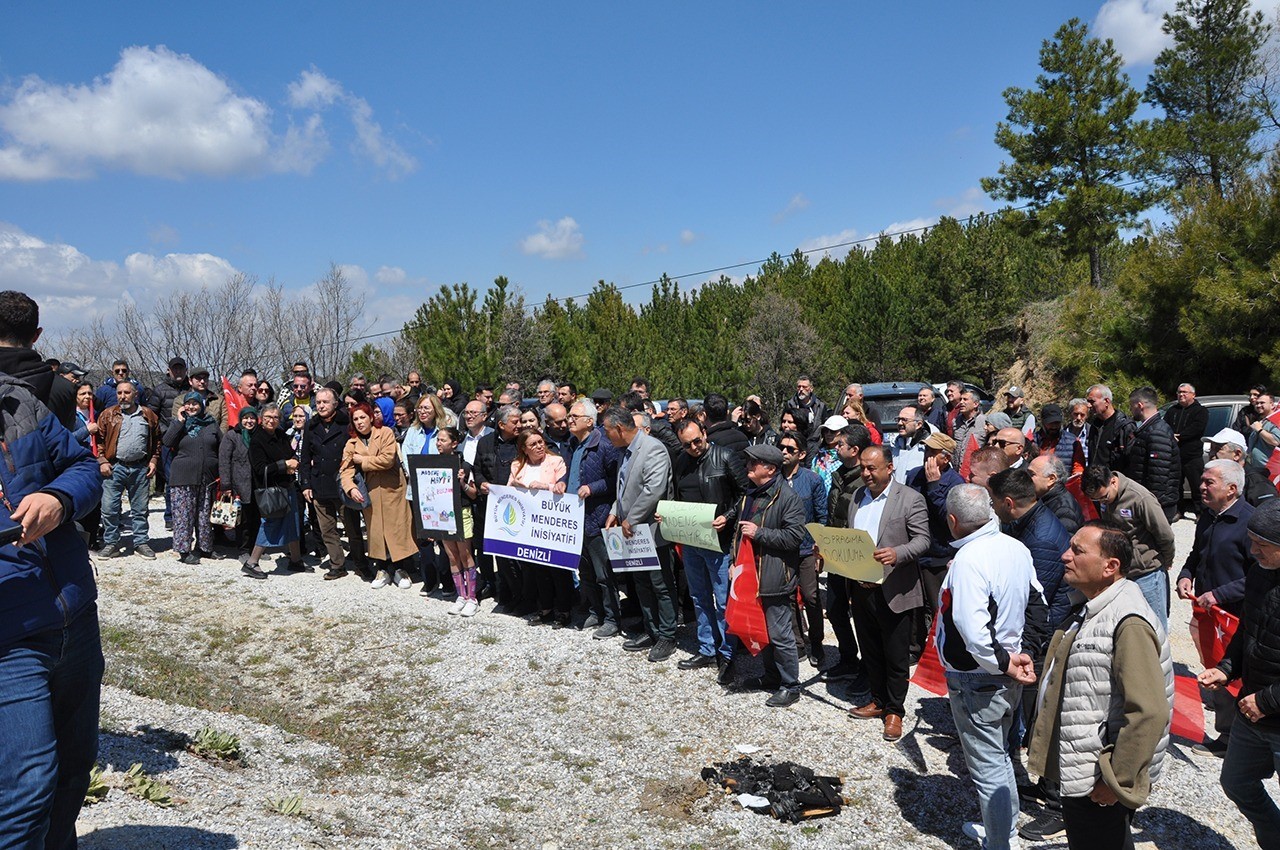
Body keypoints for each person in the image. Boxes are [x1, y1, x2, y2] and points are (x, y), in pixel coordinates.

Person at [0, 299, 103, 850]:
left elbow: (84, 466)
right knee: (24, 790)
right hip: (10, 640)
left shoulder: (19, 403)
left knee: (74, 765)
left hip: (74, 613)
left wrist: (58, 498)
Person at [1028, 521, 1173, 850]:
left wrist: (1116, 781)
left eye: (1078, 551)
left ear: (1111, 567)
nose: (1065, 556)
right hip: (1083, 765)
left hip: (1097, 776)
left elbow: (1149, 712)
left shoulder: (1128, 621)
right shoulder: (1092, 606)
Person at [938, 483, 1039, 850]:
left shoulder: (970, 559)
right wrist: (1022, 653)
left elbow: (972, 628)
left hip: (979, 674)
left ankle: (1000, 842)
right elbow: (1037, 603)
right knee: (1000, 756)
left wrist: (1002, 664)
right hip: (1005, 665)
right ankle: (1004, 831)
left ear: (952, 521)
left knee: (988, 765)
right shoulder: (1016, 548)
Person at [1202, 498, 1280, 849]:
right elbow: (1249, 629)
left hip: (1267, 707)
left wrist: (1266, 701)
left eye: (1262, 545)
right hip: (1254, 710)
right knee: (1236, 782)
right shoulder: (1260, 573)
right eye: (1251, 541)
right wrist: (1226, 668)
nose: (1253, 551)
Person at [846, 445, 931, 742]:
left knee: (896, 655)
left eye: (872, 468)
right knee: (870, 648)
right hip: (861, 587)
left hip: (896, 589)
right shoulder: (857, 496)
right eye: (863, 468)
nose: (866, 474)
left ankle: (895, 710)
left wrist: (897, 553)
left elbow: (923, 540)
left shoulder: (910, 499)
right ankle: (878, 700)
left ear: (890, 467)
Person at [1176, 460, 1256, 757]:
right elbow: (1196, 554)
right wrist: (1186, 576)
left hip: (1237, 615)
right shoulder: (1209, 516)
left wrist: (1220, 594)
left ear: (1232, 489)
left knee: (1237, 675)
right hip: (1209, 615)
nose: (1201, 486)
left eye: (1209, 482)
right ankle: (1226, 737)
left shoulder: (1250, 523)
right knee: (1215, 669)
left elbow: (1260, 576)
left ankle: (1241, 741)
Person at [728, 443, 808, 707]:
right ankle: (771, 677)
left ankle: (790, 685)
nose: (748, 467)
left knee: (780, 634)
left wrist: (760, 533)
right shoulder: (749, 493)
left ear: (770, 469)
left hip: (775, 577)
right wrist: (733, 562)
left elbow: (796, 537)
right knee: (762, 630)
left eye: (754, 463)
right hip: (751, 576)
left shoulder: (788, 498)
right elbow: (739, 533)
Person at [668, 418, 745, 673]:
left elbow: (745, 494)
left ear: (704, 432)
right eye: (687, 444)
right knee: (699, 597)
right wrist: (668, 516)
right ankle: (707, 648)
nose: (693, 447)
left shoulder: (725, 457)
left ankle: (728, 652)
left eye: (696, 441)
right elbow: (678, 497)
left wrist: (729, 516)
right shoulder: (681, 461)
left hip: (719, 542)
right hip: (692, 541)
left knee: (723, 600)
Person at [603, 406, 678, 663]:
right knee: (641, 582)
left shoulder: (653, 448)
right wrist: (616, 510)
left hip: (651, 530)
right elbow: (624, 486)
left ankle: (667, 635)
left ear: (620, 429)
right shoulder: (625, 451)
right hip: (632, 530)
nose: (606, 435)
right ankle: (652, 630)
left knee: (660, 584)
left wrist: (631, 518)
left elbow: (652, 490)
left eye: (607, 430)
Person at [1081, 466, 1177, 631]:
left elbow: (1165, 534)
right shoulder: (1105, 498)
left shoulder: (1140, 498)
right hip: (1122, 573)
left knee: (1154, 625)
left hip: (1146, 572)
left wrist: (1165, 561)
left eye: (1104, 497)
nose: (1102, 503)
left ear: (1113, 481)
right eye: (1097, 500)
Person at [341, 402, 418, 590]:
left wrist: (363, 461)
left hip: (393, 489)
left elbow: (387, 459)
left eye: (362, 417)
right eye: (356, 419)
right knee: (376, 531)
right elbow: (345, 470)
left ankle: (400, 570)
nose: (360, 422)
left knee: (398, 529)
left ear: (371, 418)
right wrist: (351, 488)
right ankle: (382, 569)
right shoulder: (351, 443)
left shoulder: (385, 433)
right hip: (371, 492)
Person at [565, 399, 623, 637]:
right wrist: (561, 484)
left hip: (597, 517)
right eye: (569, 416)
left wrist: (592, 488)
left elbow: (616, 480)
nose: (569, 420)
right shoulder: (573, 444)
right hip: (575, 518)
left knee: (603, 573)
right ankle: (596, 611)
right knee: (585, 571)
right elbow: (572, 476)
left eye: (574, 417)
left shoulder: (604, 445)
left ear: (589, 421)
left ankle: (612, 618)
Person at [821, 424, 874, 682]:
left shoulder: (866, 480)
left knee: (864, 617)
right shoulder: (839, 474)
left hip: (857, 556)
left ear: (854, 449)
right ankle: (848, 659)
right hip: (836, 553)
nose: (835, 447)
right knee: (835, 608)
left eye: (840, 444)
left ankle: (868, 668)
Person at [507, 430, 573, 625]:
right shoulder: (517, 465)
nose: (539, 446)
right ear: (524, 449)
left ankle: (564, 610)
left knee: (558, 569)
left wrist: (547, 487)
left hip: (552, 524)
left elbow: (564, 487)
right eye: (533, 444)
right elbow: (508, 490)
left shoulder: (556, 462)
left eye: (540, 442)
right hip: (529, 526)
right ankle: (545, 608)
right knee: (537, 569)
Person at [777, 429, 828, 666]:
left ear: (802, 454)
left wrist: (821, 547)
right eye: (782, 448)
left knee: (811, 596)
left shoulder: (812, 480)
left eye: (790, 449)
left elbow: (821, 515)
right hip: (782, 549)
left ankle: (816, 642)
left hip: (807, 549)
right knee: (787, 596)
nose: (784, 452)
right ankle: (797, 643)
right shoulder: (774, 478)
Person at [95, 380, 160, 559]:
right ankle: (111, 543)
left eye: (127, 393)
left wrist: (153, 460)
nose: (122, 396)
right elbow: (98, 441)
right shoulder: (107, 415)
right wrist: (102, 461)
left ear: (135, 394)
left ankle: (141, 542)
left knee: (140, 509)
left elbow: (156, 441)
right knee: (109, 508)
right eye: (119, 393)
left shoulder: (148, 415)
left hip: (140, 468)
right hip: (114, 467)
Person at [300, 388, 359, 581]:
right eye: (318, 402)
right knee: (327, 529)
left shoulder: (346, 423)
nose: (321, 406)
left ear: (335, 404)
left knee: (352, 527)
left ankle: (360, 563)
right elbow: (305, 457)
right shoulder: (311, 425)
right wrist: (306, 484)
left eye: (326, 402)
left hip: (342, 484)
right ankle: (337, 564)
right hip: (320, 483)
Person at [243, 404, 308, 579]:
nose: (272, 421)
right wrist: (284, 465)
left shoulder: (281, 435)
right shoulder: (257, 440)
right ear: (261, 419)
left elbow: (292, 454)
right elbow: (259, 468)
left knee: (293, 521)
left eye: (275, 417)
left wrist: (293, 461)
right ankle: (251, 563)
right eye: (268, 417)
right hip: (270, 489)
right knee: (269, 524)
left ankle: (295, 560)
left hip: (287, 485)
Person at [475, 405, 523, 611]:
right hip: (492, 507)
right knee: (500, 555)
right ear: (502, 424)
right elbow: (477, 469)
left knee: (519, 557)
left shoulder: (523, 442)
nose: (519, 425)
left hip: (520, 508)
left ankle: (524, 596)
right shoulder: (485, 443)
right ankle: (506, 593)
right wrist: (481, 483)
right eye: (515, 422)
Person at [164, 392, 221, 565]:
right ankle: (183, 550)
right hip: (183, 476)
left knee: (204, 515)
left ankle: (205, 547)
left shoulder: (211, 424)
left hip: (207, 477)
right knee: (184, 515)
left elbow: (221, 445)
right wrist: (179, 421)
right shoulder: (180, 424)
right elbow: (167, 441)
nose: (191, 407)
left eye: (195, 404)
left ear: (202, 405)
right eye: (188, 404)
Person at [434, 427, 481, 617]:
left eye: (443, 440)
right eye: (437, 439)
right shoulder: (431, 464)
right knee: (451, 555)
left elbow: (473, 493)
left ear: (454, 443)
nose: (439, 443)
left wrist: (462, 483)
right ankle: (460, 595)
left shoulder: (465, 465)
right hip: (442, 513)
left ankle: (472, 597)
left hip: (461, 510)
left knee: (465, 553)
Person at [1124, 387, 1181, 523]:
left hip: (1156, 505)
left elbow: (1159, 476)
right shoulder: (1148, 428)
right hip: (1149, 501)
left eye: (1132, 406)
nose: (1131, 410)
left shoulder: (1157, 432)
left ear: (1140, 405)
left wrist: (1150, 505)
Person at [220, 406, 261, 564]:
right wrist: (226, 484)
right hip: (239, 483)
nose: (249, 421)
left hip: (256, 484)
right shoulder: (232, 436)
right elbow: (224, 461)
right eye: (246, 418)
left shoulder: (259, 434)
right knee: (242, 520)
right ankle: (243, 549)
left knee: (257, 518)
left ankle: (256, 548)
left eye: (252, 418)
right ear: (240, 419)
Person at [1164, 383, 1209, 518]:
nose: (1181, 394)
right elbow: (1164, 425)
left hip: (1192, 456)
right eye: (1179, 392)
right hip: (1175, 454)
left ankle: (1200, 513)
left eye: (1185, 392)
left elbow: (1197, 428)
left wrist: (1180, 436)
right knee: (1176, 485)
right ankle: (1179, 511)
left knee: (1197, 486)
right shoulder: (1172, 410)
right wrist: (1171, 435)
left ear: (1193, 395)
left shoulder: (1200, 411)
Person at [1204, 427, 1279, 507]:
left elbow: (1268, 515)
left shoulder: (1258, 484)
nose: (1212, 454)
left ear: (1237, 455)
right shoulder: (1213, 479)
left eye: (1217, 449)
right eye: (1211, 449)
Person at [1027, 453, 1086, 534]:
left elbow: (1064, 543)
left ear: (1051, 479)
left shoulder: (1064, 509)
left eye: (1031, 474)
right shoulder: (1043, 498)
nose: (1026, 478)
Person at [1085, 384, 1134, 471]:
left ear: (1107, 401)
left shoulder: (1124, 426)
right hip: (1094, 480)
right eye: (1088, 401)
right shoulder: (1095, 424)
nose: (1088, 405)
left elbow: (1131, 461)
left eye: (1092, 401)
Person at [1035, 403, 1085, 477]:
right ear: (1043, 422)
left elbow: (1078, 467)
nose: (1054, 426)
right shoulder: (1033, 440)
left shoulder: (1073, 441)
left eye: (1057, 423)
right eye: (1050, 423)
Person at [891, 406, 931, 483]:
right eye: (898, 419)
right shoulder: (895, 444)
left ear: (918, 424)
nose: (899, 423)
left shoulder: (929, 447)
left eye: (904, 420)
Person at [952, 389, 988, 472]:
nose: (961, 402)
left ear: (975, 404)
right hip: (956, 471)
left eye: (965, 399)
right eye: (960, 399)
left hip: (974, 470)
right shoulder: (955, 421)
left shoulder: (984, 422)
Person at [1246, 393, 1280, 472]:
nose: (1258, 405)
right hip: (1255, 468)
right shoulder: (1262, 421)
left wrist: (1260, 430)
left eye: (1262, 403)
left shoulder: (1276, 421)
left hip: (1268, 471)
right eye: (1257, 403)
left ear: (1271, 405)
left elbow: (1275, 441)